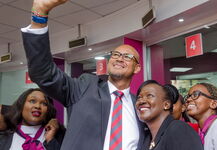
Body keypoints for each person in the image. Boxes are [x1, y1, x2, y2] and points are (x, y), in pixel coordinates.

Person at [21, 0, 144, 149]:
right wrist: (39, 14)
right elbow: (44, 73)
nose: (119, 58)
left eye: (127, 57)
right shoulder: (85, 87)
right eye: (116, 54)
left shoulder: (140, 105)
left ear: (137, 68)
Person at [135, 80, 203, 150]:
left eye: (150, 96)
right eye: (139, 97)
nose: (142, 101)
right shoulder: (146, 139)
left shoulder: (178, 129)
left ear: (166, 105)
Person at [0, 88, 65, 150]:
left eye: (44, 103)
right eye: (32, 101)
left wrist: (50, 140)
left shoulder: (57, 136)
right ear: (21, 106)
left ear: (48, 110)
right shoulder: (3, 138)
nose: (37, 106)